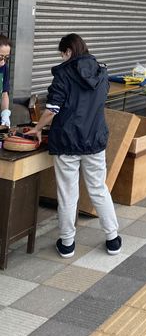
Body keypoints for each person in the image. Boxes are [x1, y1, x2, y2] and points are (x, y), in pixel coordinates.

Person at [27, 34, 121, 259]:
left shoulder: (63, 74)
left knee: (68, 193)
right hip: (94, 141)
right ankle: (113, 239)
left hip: (68, 142)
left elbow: (52, 110)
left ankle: (67, 244)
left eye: (62, 53)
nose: (62, 57)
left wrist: (38, 128)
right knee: (99, 189)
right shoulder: (101, 73)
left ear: (69, 51)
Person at [0, 34, 12, 128]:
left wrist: (5, 113)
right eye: (0, 57)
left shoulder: (4, 68)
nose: (3, 62)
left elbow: (4, 94)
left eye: (6, 58)